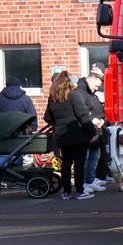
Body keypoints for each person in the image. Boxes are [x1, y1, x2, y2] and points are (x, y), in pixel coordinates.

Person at [44, 70, 102, 200]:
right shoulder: (74, 95)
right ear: (69, 82)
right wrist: (92, 133)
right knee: (79, 164)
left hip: (62, 136)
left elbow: (47, 117)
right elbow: (83, 116)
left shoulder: (53, 98)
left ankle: (66, 192)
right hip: (78, 135)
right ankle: (80, 191)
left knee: (66, 164)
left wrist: (57, 121)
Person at [77, 65, 108, 194]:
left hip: (96, 130)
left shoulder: (89, 94)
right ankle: (86, 182)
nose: (96, 89)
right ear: (90, 81)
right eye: (95, 86)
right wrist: (92, 120)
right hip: (86, 131)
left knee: (94, 156)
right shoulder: (81, 93)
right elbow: (81, 112)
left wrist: (102, 120)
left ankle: (90, 180)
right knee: (87, 158)